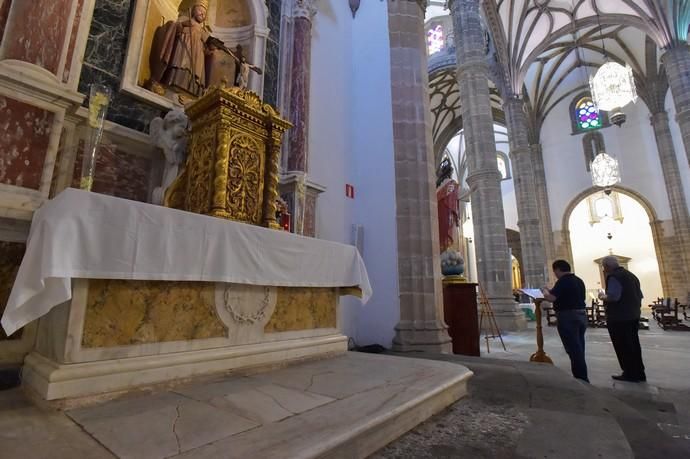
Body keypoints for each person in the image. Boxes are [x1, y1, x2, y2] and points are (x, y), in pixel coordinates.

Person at [149, 0, 214, 100]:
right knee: (181, 66)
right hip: (183, 48)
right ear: (193, 10)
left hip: (197, 56)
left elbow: (206, 47)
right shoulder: (185, 19)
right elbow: (174, 29)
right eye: (200, 10)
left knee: (194, 72)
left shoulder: (203, 30)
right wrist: (182, 25)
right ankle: (174, 84)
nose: (202, 14)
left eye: (204, 13)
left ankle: (191, 92)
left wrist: (209, 50)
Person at [598, 256, 646, 383]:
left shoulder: (614, 277)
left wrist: (602, 296)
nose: (604, 269)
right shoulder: (631, 275)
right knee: (634, 345)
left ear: (607, 266)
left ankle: (630, 373)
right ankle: (639, 372)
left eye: (604, 266)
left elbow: (613, 297)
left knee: (623, 346)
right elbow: (640, 295)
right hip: (633, 315)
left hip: (619, 317)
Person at [541, 259, 589, 382]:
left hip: (568, 317)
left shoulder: (563, 281)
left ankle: (581, 378)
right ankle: (581, 374)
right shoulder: (578, 280)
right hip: (581, 315)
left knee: (573, 348)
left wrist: (545, 290)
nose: (555, 274)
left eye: (554, 271)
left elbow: (551, 298)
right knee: (579, 346)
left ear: (557, 269)